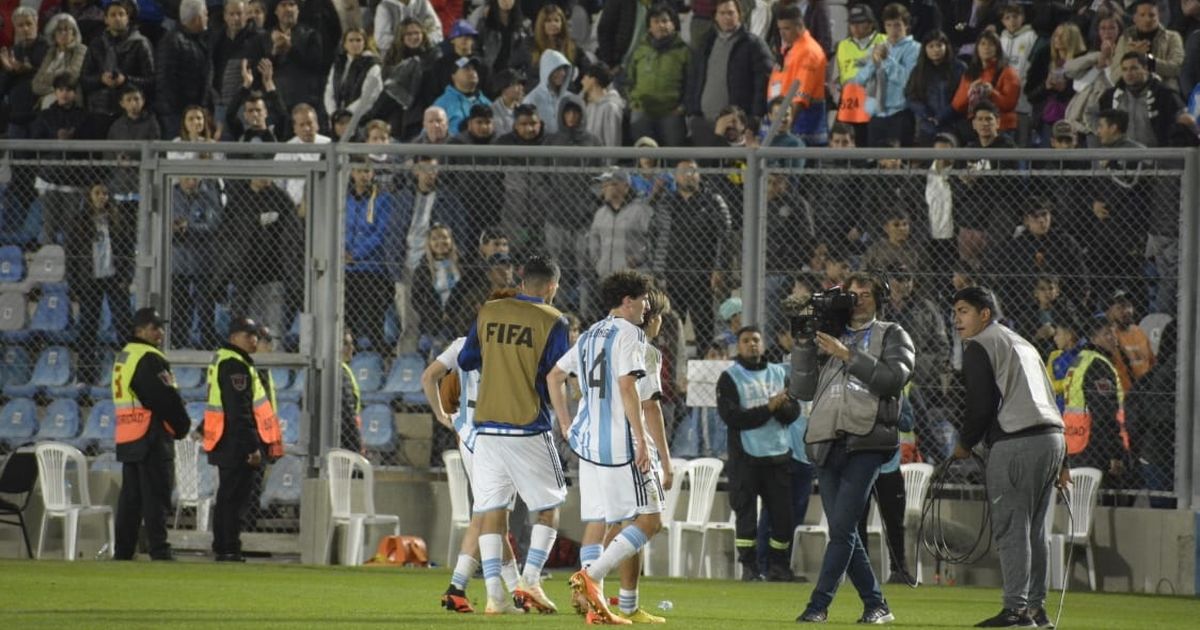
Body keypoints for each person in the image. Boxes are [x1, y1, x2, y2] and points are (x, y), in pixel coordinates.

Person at [790, 272, 915, 624]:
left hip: (868, 440)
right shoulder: (829, 333)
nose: (857, 299)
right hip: (827, 438)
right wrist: (802, 343)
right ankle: (877, 605)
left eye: (865, 293)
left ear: (879, 299)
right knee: (843, 530)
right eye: (852, 293)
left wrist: (848, 354)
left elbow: (893, 379)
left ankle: (818, 606)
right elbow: (801, 389)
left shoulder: (892, 333)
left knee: (842, 529)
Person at [457, 255, 571, 615]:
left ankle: (496, 596)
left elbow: (465, 360)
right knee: (549, 508)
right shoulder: (554, 320)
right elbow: (554, 373)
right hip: (527, 424)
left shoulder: (489, 311)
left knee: (492, 511)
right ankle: (531, 581)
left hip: (486, 426)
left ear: (522, 282)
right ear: (552, 287)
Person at [549, 270, 663, 625]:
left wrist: (565, 424)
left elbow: (553, 376)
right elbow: (628, 386)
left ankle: (596, 602)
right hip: (620, 444)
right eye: (643, 299)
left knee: (611, 520)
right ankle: (590, 578)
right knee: (649, 520)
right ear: (628, 301)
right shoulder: (630, 334)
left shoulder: (588, 334)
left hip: (588, 444)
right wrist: (641, 439)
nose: (646, 306)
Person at [952, 286, 1065, 629]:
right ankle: (1036, 610)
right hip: (1052, 440)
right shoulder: (1022, 342)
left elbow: (981, 405)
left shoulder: (980, 345)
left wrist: (965, 443)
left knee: (1012, 529)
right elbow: (1047, 397)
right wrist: (1065, 463)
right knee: (1035, 531)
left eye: (963, 311)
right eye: (955, 312)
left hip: (1017, 442)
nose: (956, 319)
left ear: (984, 314)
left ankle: (1015, 611)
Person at [421, 288, 526, 614]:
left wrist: (443, 416)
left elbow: (429, 377)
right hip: (496, 439)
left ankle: (501, 590)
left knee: (489, 517)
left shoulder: (463, 342)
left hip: (468, 436)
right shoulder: (514, 348)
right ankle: (496, 592)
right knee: (492, 517)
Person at [716, 325, 801, 582]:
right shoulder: (730, 377)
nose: (752, 344)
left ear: (763, 344)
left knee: (783, 517)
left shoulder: (778, 373)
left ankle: (779, 567)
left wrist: (780, 407)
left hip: (778, 455)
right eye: (746, 341)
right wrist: (770, 407)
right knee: (746, 517)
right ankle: (749, 568)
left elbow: (793, 412)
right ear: (738, 346)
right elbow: (733, 417)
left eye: (756, 340)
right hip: (745, 458)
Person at [113, 307, 191, 561]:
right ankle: (159, 550)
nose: (160, 332)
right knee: (156, 494)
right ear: (139, 331)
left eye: (160, 327)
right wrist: (182, 425)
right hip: (150, 434)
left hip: (129, 435)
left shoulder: (125, 355)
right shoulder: (148, 357)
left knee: (131, 499)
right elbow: (163, 397)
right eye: (154, 327)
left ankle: (123, 551)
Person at [203, 316, 283, 562]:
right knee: (233, 498)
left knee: (229, 496)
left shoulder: (227, 360)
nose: (254, 340)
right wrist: (252, 447)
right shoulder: (235, 364)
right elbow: (240, 410)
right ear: (234, 337)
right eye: (249, 335)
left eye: (255, 335)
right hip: (235, 441)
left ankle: (225, 545)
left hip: (225, 438)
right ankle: (228, 547)